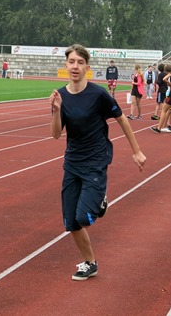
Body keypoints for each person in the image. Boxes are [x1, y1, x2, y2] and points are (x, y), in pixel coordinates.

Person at [49, 44, 145, 281]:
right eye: (72, 62)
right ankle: (90, 263)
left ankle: (100, 201)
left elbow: (122, 119)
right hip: (72, 162)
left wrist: (136, 151)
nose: (75, 66)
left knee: (84, 218)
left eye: (80, 63)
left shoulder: (98, 94)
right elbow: (56, 134)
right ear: (66, 65)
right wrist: (56, 110)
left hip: (95, 161)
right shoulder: (60, 95)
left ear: (87, 68)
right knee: (71, 222)